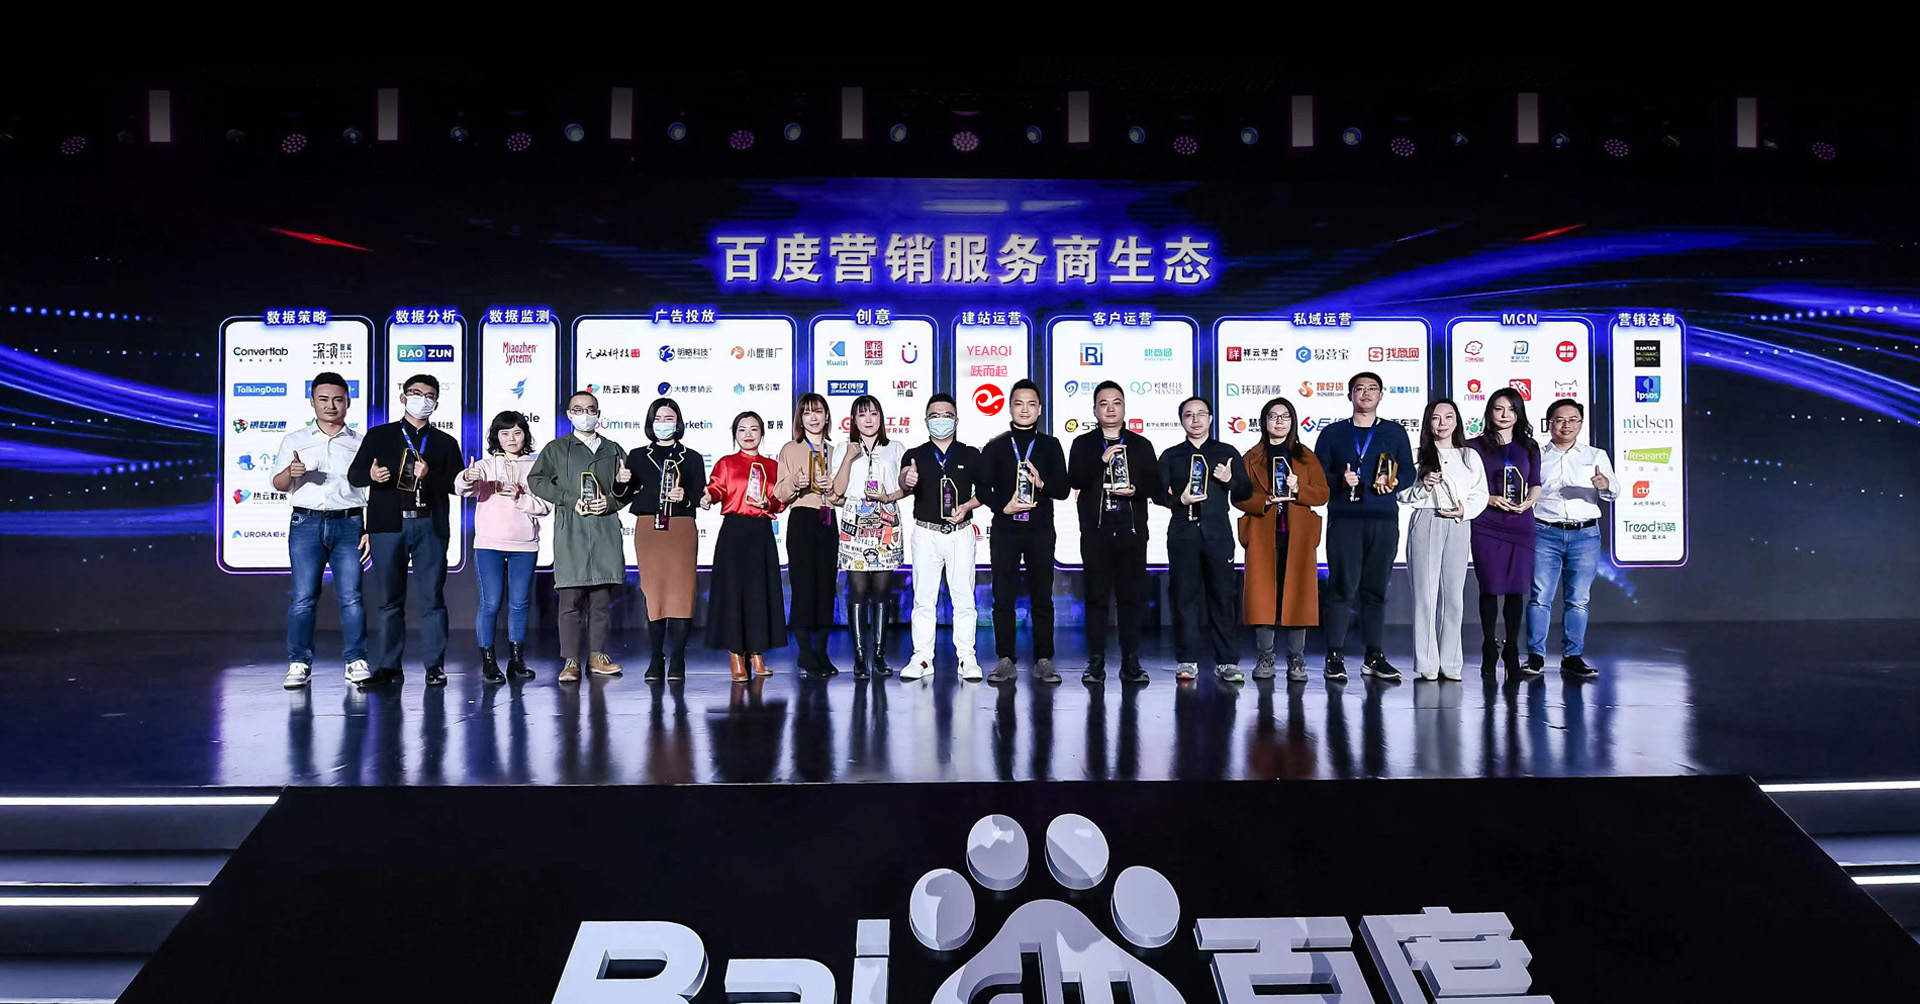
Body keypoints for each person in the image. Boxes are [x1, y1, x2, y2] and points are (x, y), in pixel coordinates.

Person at [347, 374, 461, 687]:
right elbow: (355, 475)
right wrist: (371, 475)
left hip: (430, 525)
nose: (422, 399)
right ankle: (388, 667)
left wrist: (429, 475)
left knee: (432, 599)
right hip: (388, 525)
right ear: (403, 397)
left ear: (436, 402)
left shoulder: (445, 442)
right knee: (389, 600)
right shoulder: (380, 435)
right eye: (415, 393)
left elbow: (456, 485)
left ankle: (434, 666)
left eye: (429, 395)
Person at [1313, 371, 1415, 683]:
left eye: (1372, 389)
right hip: (1345, 520)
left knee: (1375, 589)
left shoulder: (1395, 432)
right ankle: (1334, 655)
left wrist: (1395, 482)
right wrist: (1339, 481)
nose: (1366, 394)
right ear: (1350, 395)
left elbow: (1409, 472)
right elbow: (1316, 477)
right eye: (1360, 389)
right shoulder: (1332, 433)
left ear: (1381, 395)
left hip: (1383, 520)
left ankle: (1374, 656)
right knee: (1341, 587)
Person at [273, 372, 370, 689]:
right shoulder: (295, 440)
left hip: (350, 523)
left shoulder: (360, 442)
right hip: (306, 523)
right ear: (312, 402)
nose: (331, 406)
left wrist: (369, 529)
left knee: (352, 597)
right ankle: (299, 662)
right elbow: (279, 484)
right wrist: (291, 472)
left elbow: (371, 490)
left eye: (338, 399)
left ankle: (356, 660)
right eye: (324, 399)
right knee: (303, 597)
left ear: (348, 403)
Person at [527, 391, 632, 683]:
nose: (585, 414)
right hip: (571, 530)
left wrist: (612, 498)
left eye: (590, 409)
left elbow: (626, 491)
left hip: (604, 530)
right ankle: (571, 661)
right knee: (570, 600)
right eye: (578, 409)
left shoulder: (613, 449)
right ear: (569, 414)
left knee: (601, 600)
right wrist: (569, 499)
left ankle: (598, 656)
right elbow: (536, 480)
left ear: (598, 413)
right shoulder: (556, 448)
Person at [1067, 381, 1163, 685]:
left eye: (1116, 402)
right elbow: (1075, 479)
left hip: (1131, 531)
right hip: (1096, 532)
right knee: (1096, 598)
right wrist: (1101, 461)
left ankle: (1131, 662)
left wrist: (1136, 490)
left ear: (1124, 407)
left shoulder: (1141, 444)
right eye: (1104, 403)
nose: (1110, 409)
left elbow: (1155, 486)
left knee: (1130, 599)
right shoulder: (1083, 444)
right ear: (1095, 410)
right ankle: (1095, 662)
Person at [974, 379, 1069, 685]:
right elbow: (982, 489)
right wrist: (1004, 507)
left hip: (1040, 529)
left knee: (1042, 596)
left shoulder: (1051, 445)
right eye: (1019, 403)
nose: (1025, 410)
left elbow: (1064, 490)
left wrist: (1042, 484)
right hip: (1006, 530)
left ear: (1040, 409)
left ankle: (1044, 659)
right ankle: (1005, 659)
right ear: (1010, 407)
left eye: (1031, 404)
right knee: (1003, 597)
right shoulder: (996, 446)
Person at [1233, 397, 1329, 683]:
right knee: (1263, 598)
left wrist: (1298, 490)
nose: (1279, 421)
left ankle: (1296, 658)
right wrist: (1264, 500)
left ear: (1292, 421)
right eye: (1273, 416)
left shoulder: (1306, 456)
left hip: (1298, 535)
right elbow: (1238, 496)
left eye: (1284, 416)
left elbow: (1322, 494)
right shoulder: (1252, 456)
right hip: (1263, 534)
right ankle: (1265, 656)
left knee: (1298, 596)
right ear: (1264, 422)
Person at [1155, 396, 1250, 683]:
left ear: (1210, 418)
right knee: (1184, 596)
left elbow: (1246, 492)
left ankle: (1227, 661)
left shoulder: (1227, 452)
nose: (1195, 420)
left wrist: (1230, 480)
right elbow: (1156, 494)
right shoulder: (1171, 455)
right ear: (1181, 421)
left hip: (1217, 534)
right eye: (1188, 415)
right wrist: (1179, 500)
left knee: (1223, 596)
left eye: (1201, 414)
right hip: (1183, 533)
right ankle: (1187, 659)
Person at [1398, 399, 1490, 682]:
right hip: (1426, 520)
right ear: (1428, 422)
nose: (1443, 423)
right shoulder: (1416, 455)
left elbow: (1480, 493)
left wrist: (1464, 510)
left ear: (1457, 421)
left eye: (1449, 417)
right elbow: (1401, 493)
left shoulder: (1469, 456)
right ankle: (1427, 661)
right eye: (1436, 418)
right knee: (1425, 595)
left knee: (1453, 595)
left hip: (1458, 523)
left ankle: (1450, 662)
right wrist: (1422, 486)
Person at [456, 411, 551, 683]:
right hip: (489, 544)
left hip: (525, 545)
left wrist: (520, 498)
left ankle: (516, 661)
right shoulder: (485, 465)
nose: (511, 438)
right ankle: (489, 662)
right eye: (505, 433)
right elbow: (463, 489)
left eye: (517, 433)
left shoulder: (536, 466)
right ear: (496, 437)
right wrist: (467, 476)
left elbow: (545, 506)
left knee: (519, 604)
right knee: (491, 603)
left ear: (525, 436)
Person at [1526, 399, 1616, 680]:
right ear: (1549, 423)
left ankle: (1572, 657)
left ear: (1581, 423)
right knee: (1540, 597)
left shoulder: (1595, 455)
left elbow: (1613, 491)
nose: (1567, 425)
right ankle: (1535, 657)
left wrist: (1605, 485)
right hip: (1545, 531)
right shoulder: (1536, 455)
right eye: (1560, 419)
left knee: (1578, 600)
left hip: (1585, 535)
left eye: (1573, 419)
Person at [900, 394, 984, 681]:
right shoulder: (915, 454)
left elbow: (985, 491)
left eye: (946, 415)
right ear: (926, 421)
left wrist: (967, 507)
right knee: (923, 600)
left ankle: (967, 658)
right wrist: (907, 479)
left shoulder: (970, 454)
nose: (941, 420)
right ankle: (922, 658)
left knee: (964, 600)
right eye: (934, 416)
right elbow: (903, 480)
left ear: (956, 420)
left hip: (960, 534)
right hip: (926, 534)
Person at [624, 398, 707, 682]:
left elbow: (701, 494)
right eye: (658, 419)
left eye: (669, 418)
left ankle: (678, 657)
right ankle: (655, 658)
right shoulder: (637, 456)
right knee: (654, 593)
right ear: (650, 422)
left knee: (682, 594)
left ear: (678, 422)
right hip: (649, 529)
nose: (663, 423)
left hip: (680, 528)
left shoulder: (692, 457)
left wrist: (686, 497)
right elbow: (624, 495)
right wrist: (621, 481)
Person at [702, 411, 787, 682]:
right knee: (733, 593)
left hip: (761, 532)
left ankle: (757, 653)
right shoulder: (726, 463)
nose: (748, 434)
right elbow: (716, 489)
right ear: (735, 434)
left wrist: (769, 504)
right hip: (734, 532)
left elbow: (780, 501)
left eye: (754, 429)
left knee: (760, 593)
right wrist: (709, 496)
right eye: (742, 429)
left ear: (762, 433)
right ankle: (736, 654)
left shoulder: (773, 466)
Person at [830, 394, 909, 680]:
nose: (868, 419)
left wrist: (888, 496)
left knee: (881, 591)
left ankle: (879, 655)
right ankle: (860, 657)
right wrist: (849, 458)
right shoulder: (844, 448)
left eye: (873, 413)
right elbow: (837, 491)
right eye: (862, 414)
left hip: (885, 519)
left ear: (881, 417)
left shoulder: (895, 447)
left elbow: (907, 487)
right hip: (855, 520)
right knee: (858, 590)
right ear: (853, 419)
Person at [1468, 387, 1542, 677]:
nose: (1504, 415)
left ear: (1519, 414)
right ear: (1489, 412)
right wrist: (1488, 499)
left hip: (1520, 523)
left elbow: (1536, 483)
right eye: (1499, 409)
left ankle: (1512, 648)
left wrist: (1529, 502)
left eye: (1511, 409)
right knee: (1489, 586)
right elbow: (1466, 487)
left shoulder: (1529, 446)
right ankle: (1489, 646)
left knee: (1515, 589)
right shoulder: (1473, 446)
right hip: (1486, 521)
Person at [774, 393, 843, 677]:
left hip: (828, 520)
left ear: (827, 417)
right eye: (807, 413)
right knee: (803, 586)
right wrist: (794, 482)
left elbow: (843, 496)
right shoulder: (790, 449)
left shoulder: (836, 451)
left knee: (826, 587)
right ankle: (804, 652)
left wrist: (833, 489)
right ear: (800, 419)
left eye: (818, 412)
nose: (813, 418)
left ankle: (822, 652)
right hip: (802, 518)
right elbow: (779, 494)